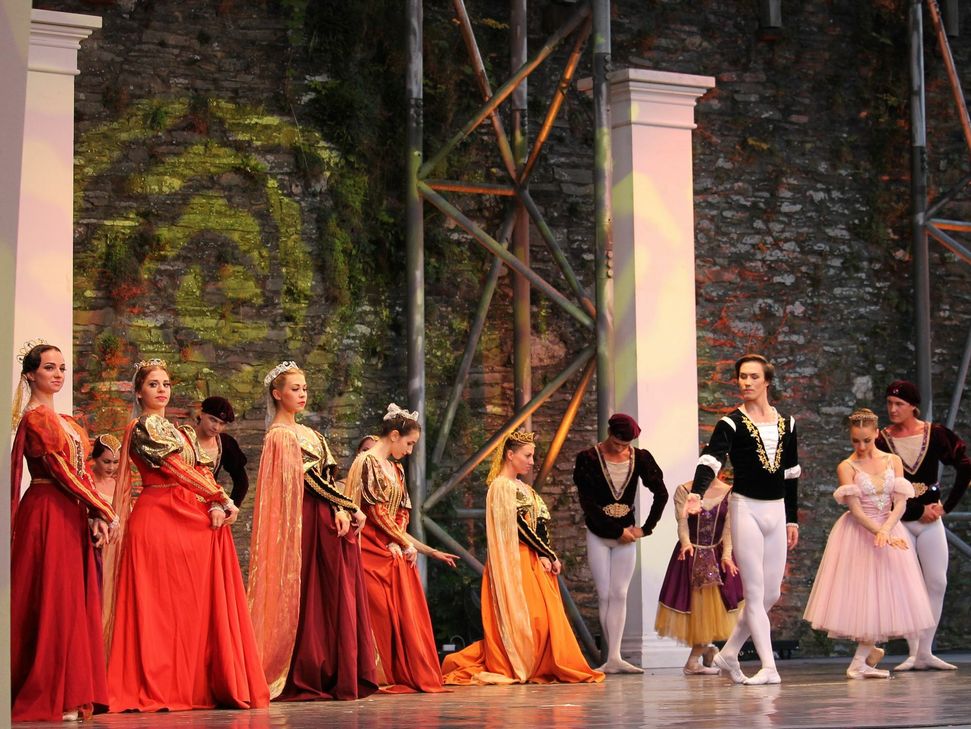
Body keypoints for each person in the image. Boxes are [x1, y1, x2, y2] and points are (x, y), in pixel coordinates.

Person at [103, 359, 269, 712]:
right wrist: (220, 496)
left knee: (189, 604)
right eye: (153, 384)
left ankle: (198, 680)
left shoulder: (180, 431)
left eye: (165, 384)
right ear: (138, 392)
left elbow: (201, 470)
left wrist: (217, 503)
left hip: (183, 513)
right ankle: (164, 681)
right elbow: (175, 468)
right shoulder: (145, 426)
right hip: (159, 516)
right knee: (161, 610)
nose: (161, 390)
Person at [247, 361, 377, 701]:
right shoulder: (280, 435)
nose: (302, 394)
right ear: (277, 394)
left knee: (333, 587)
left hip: (326, 515)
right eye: (295, 389)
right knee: (312, 588)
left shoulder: (309, 433)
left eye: (304, 388)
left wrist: (340, 509)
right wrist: (348, 505)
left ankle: (335, 668)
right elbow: (309, 479)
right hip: (305, 518)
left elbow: (327, 477)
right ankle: (309, 666)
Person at [442, 430, 604, 685]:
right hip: (514, 562)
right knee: (532, 618)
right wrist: (546, 552)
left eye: (532, 456)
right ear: (510, 454)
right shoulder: (501, 487)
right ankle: (524, 662)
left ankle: (541, 662)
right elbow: (518, 527)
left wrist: (547, 554)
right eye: (527, 456)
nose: (531, 461)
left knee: (545, 617)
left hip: (533, 560)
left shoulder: (525, 489)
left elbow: (539, 525)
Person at [10, 341, 117, 722]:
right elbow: (61, 472)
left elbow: (82, 474)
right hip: (47, 512)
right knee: (54, 599)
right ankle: (52, 690)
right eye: (49, 368)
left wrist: (95, 516)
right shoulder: (36, 420)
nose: (57, 374)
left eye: (61, 368)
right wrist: (105, 509)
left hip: (71, 512)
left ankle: (73, 689)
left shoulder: (68, 422)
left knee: (73, 600)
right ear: (30, 374)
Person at [690, 354, 800, 685]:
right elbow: (711, 460)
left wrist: (792, 520)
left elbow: (791, 473)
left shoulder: (788, 424)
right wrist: (696, 493)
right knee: (754, 593)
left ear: (767, 381)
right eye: (741, 376)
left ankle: (729, 652)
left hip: (776, 510)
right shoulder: (731, 423)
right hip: (746, 508)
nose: (746, 382)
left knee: (771, 595)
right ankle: (769, 667)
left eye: (753, 377)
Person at [804, 408, 935, 679]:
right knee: (865, 594)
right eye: (855, 441)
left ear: (876, 433)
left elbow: (901, 502)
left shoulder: (893, 461)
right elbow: (856, 510)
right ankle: (861, 661)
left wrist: (887, 530)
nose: (861, 446)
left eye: (866, 440)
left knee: (884, 592)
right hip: (859, 533)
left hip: (888, 528)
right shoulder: (847, 466)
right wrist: (879, 531)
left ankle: (865, 658)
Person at [344, 403, 459, 692]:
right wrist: (402, 541)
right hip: (369, 549)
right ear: (394, 435)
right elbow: (376, 513)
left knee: (402, 612)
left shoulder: (396, 469)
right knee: (380, 613)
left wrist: (405, 543)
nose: (410, 451)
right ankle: (376, 672)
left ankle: (401, 670)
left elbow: (401, 513)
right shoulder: (367, 462)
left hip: (391, 547)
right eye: (409, 444)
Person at [876, 379, 971, 671]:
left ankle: (925, 651)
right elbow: (880, 487)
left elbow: (965, 465)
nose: (893, 409)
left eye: (899, 404)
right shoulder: (882, 440)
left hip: (931, 520)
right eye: (890, 403)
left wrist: (945, 507)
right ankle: (914, 651)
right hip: (901, 520)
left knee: (937, 582)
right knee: (907, 584)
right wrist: (918, 510)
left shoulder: (936, 434)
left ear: (913, 406)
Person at [572, 412, 668, 673]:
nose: (620, 448)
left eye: (626, 444)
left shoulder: (640, 458)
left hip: (627, 534)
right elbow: (587, 503)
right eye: (616, 443)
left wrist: (646, 528)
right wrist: (616, 531)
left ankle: (615, 655)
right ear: (609, 433)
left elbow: (661, 492)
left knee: (620, 593)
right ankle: (611, 656)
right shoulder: (588, 458)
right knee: (604, 594)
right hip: (599, 533)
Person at [655, 478, 742, 675]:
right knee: (699, 609)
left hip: (716, 557)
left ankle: (704, 653)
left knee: (711, 611)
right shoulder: (684, 490)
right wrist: (686, 543)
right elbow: (682, 521)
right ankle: (695, 661)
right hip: (691, 556)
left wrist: (727, 555)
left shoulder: (729, 492)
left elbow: (728, 529)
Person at [195, 396, 249, 506]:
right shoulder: (182, 438)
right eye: (213, 420)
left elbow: (241, 482)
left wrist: (230, 508)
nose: (216, 427)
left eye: (222, 424)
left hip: (208, 506)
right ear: (201, 414)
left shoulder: (225, 443)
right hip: (180, 503)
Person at [88, 433, 121, 502]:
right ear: (94, 458)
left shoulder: (117, 485)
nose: (111, 467)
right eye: (106, 462)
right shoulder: (87, 483)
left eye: (115, 462)